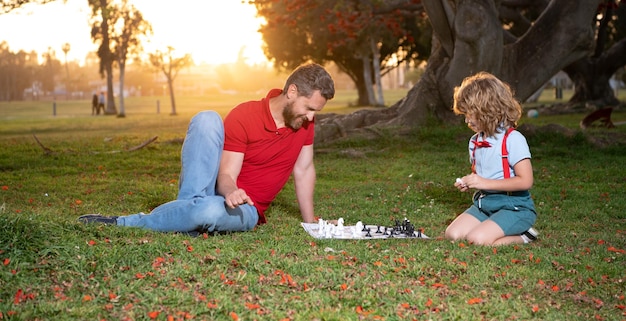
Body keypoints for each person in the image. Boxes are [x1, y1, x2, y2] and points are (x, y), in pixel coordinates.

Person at [79, 63, 335, 233]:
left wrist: (310, 221)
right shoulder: (245, 115)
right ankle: (183, 216)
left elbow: (304, 169)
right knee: (207, 118)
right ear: (292, 92)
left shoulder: (303, 125)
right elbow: (225, 175)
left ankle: (167, 218)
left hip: (247, 208)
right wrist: (232, 191)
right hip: (218, 189)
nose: (312, 118)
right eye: (309, 108)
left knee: (208, 209)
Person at [445, 72, 539, 246]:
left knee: (477, 240)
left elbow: (526, 181)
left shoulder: (513, 139)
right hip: (484, 205)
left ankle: (525, 235)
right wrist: (470, 182)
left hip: (514, 207)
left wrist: (484, 183)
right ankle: (490, 225)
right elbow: (487, 174)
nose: (466, 120)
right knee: (453, 234)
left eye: (470, 114)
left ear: (488, 110)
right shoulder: (475, 141)